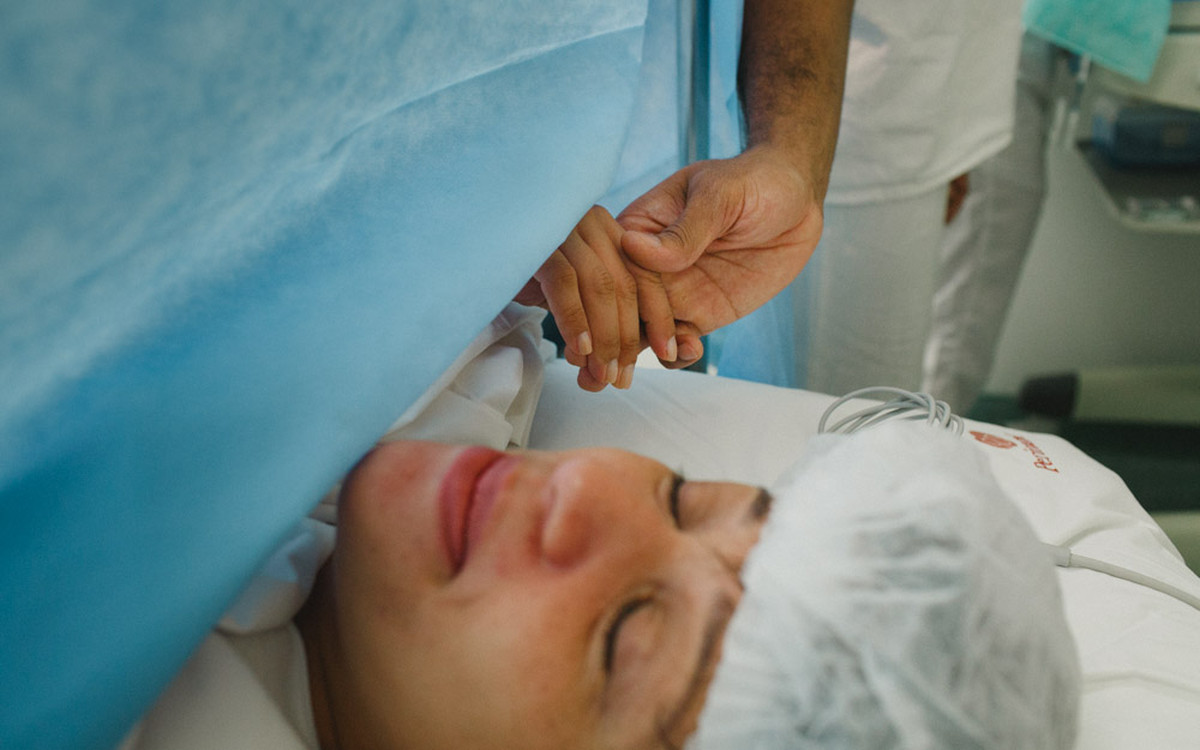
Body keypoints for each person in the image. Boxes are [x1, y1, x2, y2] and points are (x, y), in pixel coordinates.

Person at [715, 0, 1028, 395]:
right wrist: (787, 156)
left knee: (877, 400)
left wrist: (951, 134)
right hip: (851, 128)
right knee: (840, 403)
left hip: (924, 95)